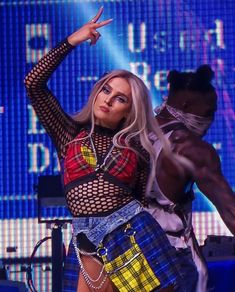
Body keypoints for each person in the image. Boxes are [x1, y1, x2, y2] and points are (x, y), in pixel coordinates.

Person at [24, 7, 185, 292]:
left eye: (120, 98)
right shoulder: (69, 134)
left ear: (128, 111)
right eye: (106, 90)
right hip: (85, 237)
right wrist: (72, 41)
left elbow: (138, 196)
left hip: (130, 234)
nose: (108, 99)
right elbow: (33, 84)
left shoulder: (136, 147)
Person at [147, 65, 235, 292]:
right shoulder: (190, 148)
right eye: (209, 113)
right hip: (174, 262)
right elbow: (230, 211)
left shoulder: (133, 133)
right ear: (186, 105)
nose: (210, 121)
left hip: (128, 259)